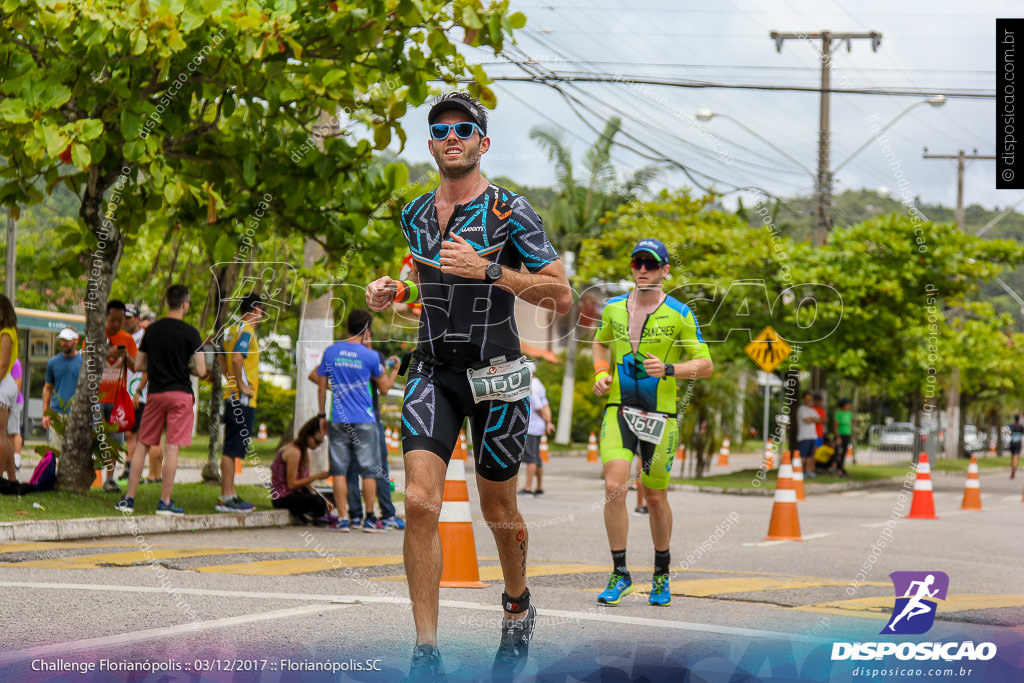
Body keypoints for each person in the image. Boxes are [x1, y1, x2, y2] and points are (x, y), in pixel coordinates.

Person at [366, 91, 571, 681]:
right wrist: (393, 295)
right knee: (420, 503)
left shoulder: (510, 211)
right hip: (432, 369)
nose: (451, 137)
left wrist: (489, 270)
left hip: (497, 372)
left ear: (483, 142)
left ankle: (516, 604)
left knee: (498, 507)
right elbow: (426, 289)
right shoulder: (414, 214)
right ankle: (426, 649)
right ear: (431, 144)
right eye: (440, 129)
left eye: (464, 129)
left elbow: (558, 294)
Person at [592, 238, 713, 608]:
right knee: (614, 486)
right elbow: (599, 345)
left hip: (660, 417)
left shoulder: (679, 313)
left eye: (650, 264)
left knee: (656, 496)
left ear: (665, 271)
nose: (642, 269)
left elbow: (705, 364)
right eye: (637, 263)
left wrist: (671, 369)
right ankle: (620, 573)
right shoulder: (612, 308)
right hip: (618, 410)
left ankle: (661, 575)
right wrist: (600, 372)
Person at [118, 285, 207, 515]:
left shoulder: (152, 331)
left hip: (156, 394)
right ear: (185, 304)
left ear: (168, 302)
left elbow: (138, 365)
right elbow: (201, 369)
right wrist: (184, 367)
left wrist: (158, 365)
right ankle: (165, 502)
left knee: (142, 444)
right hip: (181, 395)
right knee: (172, 447)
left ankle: (129, 499)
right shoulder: (191, 332)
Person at [315, 309, 392, 533]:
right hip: (365, 420)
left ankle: (343, 519)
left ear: (347, 326)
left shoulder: (331, 352)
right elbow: (384, 386)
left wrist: (322, 415)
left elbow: (321, 385)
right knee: (369, 471)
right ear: (367, 330)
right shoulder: (371, 356)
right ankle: (369, 518)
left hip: (338, 419)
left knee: (339, 470)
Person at [344, 335, 403, 530]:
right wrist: (394, 369)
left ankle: (354, 516)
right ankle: (386, 515)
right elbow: (384, 387)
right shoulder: (372, 356)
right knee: (378, 469)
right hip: (370, 420)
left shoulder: (342, 356)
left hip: (346, 420)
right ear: (366, 334)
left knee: (352, 468)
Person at [218, 294, 264, 513]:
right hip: (242, 398)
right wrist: (242, 386)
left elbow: (220, 354)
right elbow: (237, 357)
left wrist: (230, 379)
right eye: (261, 310)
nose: (261, 315)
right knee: (232, 448)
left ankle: (230, 494)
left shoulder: (231, 329)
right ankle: (226, 497)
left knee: (232, 447)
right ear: (256, 309)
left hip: (232, 395)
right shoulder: (247, 329)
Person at [98, 299, 137, 493]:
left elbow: (135, 366)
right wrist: (106, 352)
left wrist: (124, 356)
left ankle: (109, 479)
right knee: (92, 437)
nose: (115, 324)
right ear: (105, 317)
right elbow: (85, 359)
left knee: (115, 440)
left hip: (117, 399)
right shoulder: (95, 335)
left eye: (120, 320)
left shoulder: (127, 339)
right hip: (96, 397)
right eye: (112, 320)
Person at [270, 416, 334, 522]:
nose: (318, 445)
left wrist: (324, 498)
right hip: (283, 497)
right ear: (308, 436)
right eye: (317, 441)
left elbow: (306, 485)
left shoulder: (304, 452)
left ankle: (315, 512)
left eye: (321, 443)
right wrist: (317, 476)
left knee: (330, 497)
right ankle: (316, 515)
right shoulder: (294, 452)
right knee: (318, 501)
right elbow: (292, 484)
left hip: (297, 494)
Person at [42, 327, 83, 448]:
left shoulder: (83, 362)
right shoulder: (53, 362)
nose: (64, 343)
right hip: (57, 412)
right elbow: (47, 388)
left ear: (75, 341)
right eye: (62, 340)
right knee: (57, 450)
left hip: (77, 413)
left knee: (75, 450)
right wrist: (45, 413)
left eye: (67, 340)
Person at [519, 374, 554, 496]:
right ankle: (539, 488)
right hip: (538, 427)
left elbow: (539, 407)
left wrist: (546, 421)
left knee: (531, 458)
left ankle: (528, 488)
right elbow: (546, 405)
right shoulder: (540, 384)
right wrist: (548, 421)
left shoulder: (531, 386)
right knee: (537, 457)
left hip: (532, 427)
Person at [0, 295, 18, 481]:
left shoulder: (6, 333)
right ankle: (12, 479)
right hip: (6, 383)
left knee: (0, 434)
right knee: (3, 435)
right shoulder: (8, 331)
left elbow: (3, 365)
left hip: (3, 384)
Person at [797, 392, 823, 477]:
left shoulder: (812, 410)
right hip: (804, 436)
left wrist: (811, 418)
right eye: (807, 398)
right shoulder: (802, 409)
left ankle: (808, 472)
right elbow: (807, 420)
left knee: (810, 456)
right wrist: (813, 418)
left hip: (812, 436)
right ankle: (799, 472)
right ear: (803, 400)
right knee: (803, 456)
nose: (809, 400)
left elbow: (820, 420)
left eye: (810, 399)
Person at [831, 398, 854, 477]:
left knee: (844, 452)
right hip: (840, 435)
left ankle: (841, 468)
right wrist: (837, 437)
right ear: (844, 405)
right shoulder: (838, 413)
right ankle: (835, 468)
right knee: (837, 452)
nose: (849, 406)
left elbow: (851, 422)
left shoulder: (849, 413)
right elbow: (835, 426)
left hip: (847, 434)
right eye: (848, 404)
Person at [8, 358, 23, 470]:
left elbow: (17, 385)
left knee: (13, 431)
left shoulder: (15, 362)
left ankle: (16, 460)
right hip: (2, 402)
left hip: (14, 402)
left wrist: (11, 404)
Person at [1010, 415, 1023, 479]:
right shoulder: (1021, 426)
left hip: (1012, 443)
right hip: (1018, 443)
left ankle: (1013, 467)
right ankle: (1014, 468)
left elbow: (1006, 430)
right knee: (1016, 455)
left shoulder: (1011, 426)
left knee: (1013, 456)